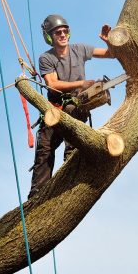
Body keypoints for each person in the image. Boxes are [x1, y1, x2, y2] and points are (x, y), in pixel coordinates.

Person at [29, 14, 113, 198]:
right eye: (58, 32)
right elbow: (52, 84)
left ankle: (70, 187)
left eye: (65, 31)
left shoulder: (80, 49)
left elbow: (111, 54)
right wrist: (80, 83)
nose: (62, 34)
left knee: (73, 149)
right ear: (50, 37)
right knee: (44, 151)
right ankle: (36, 197)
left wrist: (109, 42)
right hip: (54, 110)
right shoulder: (46, 58)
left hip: (77, 107)